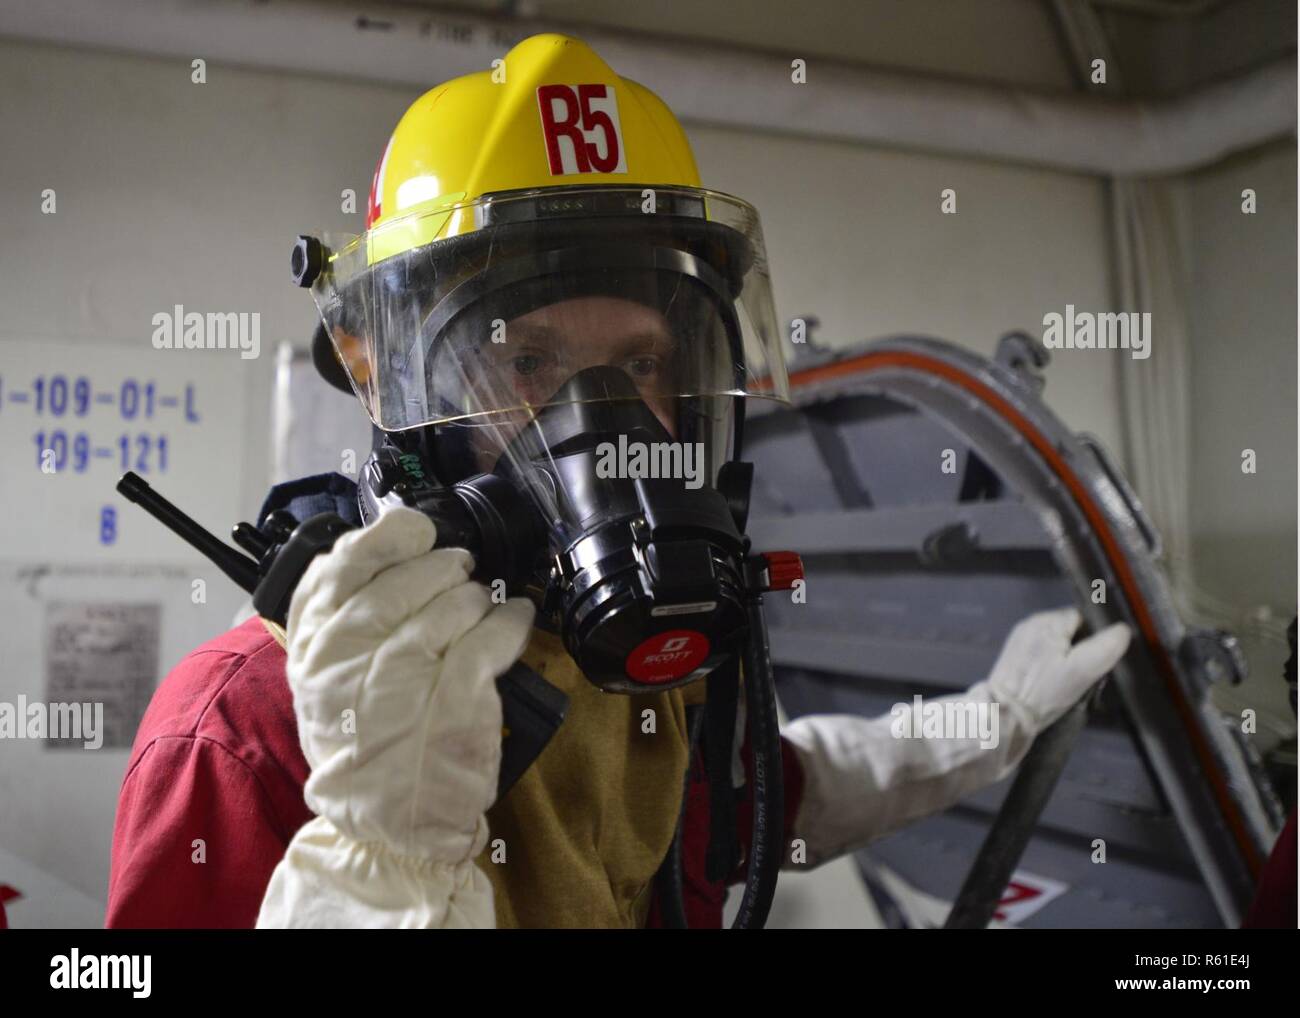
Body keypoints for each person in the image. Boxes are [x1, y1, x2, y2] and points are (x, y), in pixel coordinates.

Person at [106, 33, 1130, 929]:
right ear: (389, 391)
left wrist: (987, 721)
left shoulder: (637, 664)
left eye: (639, 365)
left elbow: (765, 799)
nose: (600, 426)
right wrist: (380, 868)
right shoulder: (240, 728)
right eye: (527, 365)